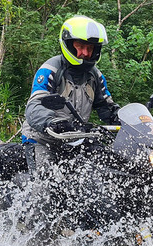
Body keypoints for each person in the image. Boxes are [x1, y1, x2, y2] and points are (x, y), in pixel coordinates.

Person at [21, 15, 120, 173]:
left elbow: (105, 106)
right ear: (68, 44)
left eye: (90, 48)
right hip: (43, 140)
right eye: (80, 46)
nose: (85, 53)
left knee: (106, 170)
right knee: (45, 186)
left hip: (76, 139)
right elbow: (34, 105)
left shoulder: (95, 75)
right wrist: (51, 122)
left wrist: (121, 117)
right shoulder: (51, 69)